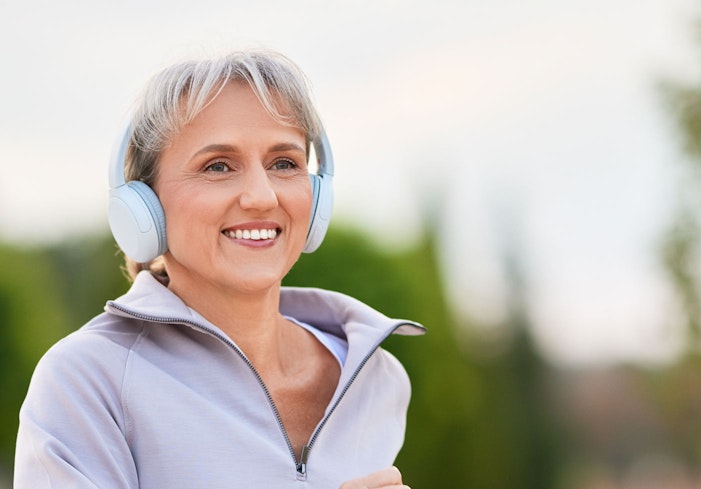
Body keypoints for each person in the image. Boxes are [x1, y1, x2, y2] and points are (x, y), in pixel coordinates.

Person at [13, 50, 425, 488]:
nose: (261, 197)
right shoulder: (86, 380)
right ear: (144, 205)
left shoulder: (377, 378)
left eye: (284, 163)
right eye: (218, 166)